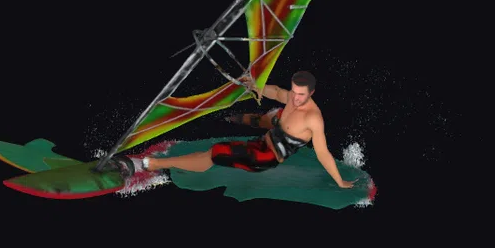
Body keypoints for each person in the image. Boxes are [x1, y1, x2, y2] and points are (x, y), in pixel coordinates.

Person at [111, 71, 355, 189]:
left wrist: (339, 181)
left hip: (267, 157)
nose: (296, 99)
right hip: (262, 141)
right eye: (294, 92)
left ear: (312, 93)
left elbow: (322, 153)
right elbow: (276, 92)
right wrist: (255, 85)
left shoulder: (314, 119)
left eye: (301, 95)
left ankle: (149, 165)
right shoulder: (291, 97)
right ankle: (237, 119)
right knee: (271, 117)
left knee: (215, 153)